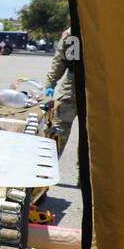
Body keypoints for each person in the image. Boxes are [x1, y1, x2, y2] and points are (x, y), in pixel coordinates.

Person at [44, 26, 78, 157]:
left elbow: (60, 60)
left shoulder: (73, 31)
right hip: (74, 86)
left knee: (60, 127)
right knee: (58, 128)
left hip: (78, 86)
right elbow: (61, 60)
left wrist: (50, 83)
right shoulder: (73, 33)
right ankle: (48, 166)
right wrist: (50, 84)